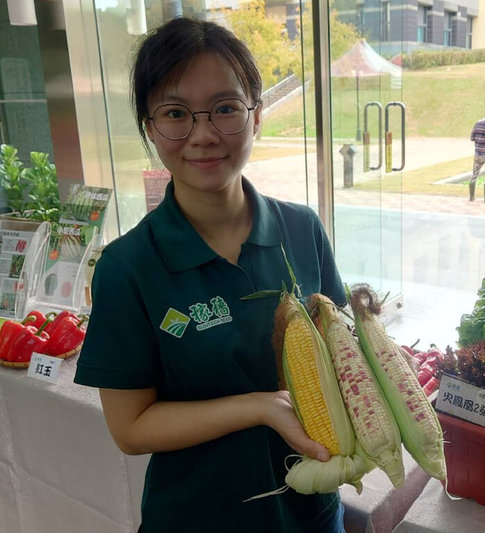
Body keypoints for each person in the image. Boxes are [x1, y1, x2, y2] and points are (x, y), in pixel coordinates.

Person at [73, 18, 347, 533]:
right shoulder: (128, 266)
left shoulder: (302, 228)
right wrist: (260, 407)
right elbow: (131, 428)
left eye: (225, 108)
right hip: (197, 516)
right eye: (176, 113)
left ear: (257, 115)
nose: (202, 135)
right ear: (149, 127)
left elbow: (338, 349)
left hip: (310, 513)